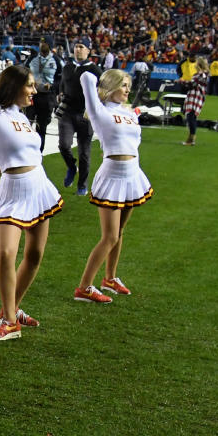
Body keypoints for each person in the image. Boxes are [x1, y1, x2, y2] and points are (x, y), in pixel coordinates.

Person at [0, 14, 63, 341]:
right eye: (30, 85)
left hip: (39, 186)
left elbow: (28, 152)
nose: (34, 90)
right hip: (12, 191)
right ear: (15, 86)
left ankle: (13, 308)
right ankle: (9, 320)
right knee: (7, 254)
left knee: (34, 255)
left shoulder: (22, 117)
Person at [74, 68, 152, 303]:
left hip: (132, 175)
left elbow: (133, 143)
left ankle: (110, 278)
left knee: (119, 233)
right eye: (123, 85)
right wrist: (103, 76)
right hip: (112, 177)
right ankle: (84, 287)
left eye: (129, 85)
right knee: (109, 237)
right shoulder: (99, 110)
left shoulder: (128, 112)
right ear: (110, 86)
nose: (128, 90)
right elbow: (86, 77)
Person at [56, 36, 100, 195]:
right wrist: (60, 93)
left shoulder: (95, 70)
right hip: (67, 112)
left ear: (89, 50)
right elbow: (63, 83)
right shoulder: (68, 66)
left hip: (85, 115)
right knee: (64, 145)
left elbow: (101, 92)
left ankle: (82, 185)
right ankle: (71, 167)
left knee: (84, 153)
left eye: (81, 46)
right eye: (76, 46)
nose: (78, 49)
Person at [27, 40, 57, 151]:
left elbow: (61, 79)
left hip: (46, 97)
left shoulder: (57, 60)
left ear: (49, 46)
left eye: (45, 43)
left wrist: (52, 86)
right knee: (27, 124)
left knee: (42, 128)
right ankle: (26, 151)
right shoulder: (33, 58)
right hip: (32, 95)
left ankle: (38, 154)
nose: (42, 45)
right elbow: (24, 71)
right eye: (40, 42)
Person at [181, 56, 208, 147]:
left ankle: (191, 139)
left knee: (190, 117)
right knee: (192, 117)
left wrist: (182, 82)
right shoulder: (201, 74)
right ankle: (190, 138)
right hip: (195, 96)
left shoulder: (201, 75)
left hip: (195, 97)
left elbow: (193, 84)